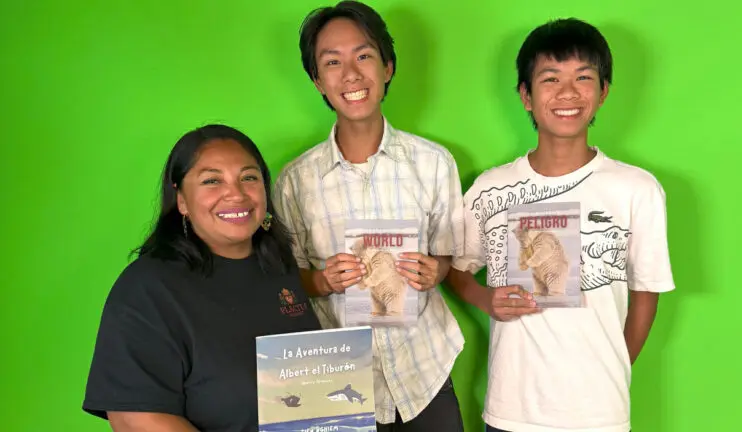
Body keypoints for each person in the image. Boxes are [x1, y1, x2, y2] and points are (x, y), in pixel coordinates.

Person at [445, 18, 675, 432]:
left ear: (603, 91)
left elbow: (646, 292)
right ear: (526, 96)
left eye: (583, 78)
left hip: (599, 412)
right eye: (550, 79)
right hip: (510, 409)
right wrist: (485, 299)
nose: (567, 93)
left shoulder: (636, 189)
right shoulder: (491, 187)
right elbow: (454, 269)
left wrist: (612, 366)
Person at [273, 1, 466, 431]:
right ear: (318, 81)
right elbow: (288, 280)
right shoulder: (295, 182)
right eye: (332, 62)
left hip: (424, 372)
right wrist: (322, 280)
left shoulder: (434, 163)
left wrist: (435, 270)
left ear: (388, 68)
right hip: (337, 377)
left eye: (364, 56)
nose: (351, 74)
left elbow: (451, 254)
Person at [82, 124, 321, 431]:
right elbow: (135, 418)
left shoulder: (278, 266)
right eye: (212, 180)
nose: (236, 194)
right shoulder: (147, 288)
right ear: (181, 199)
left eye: (249, 177)